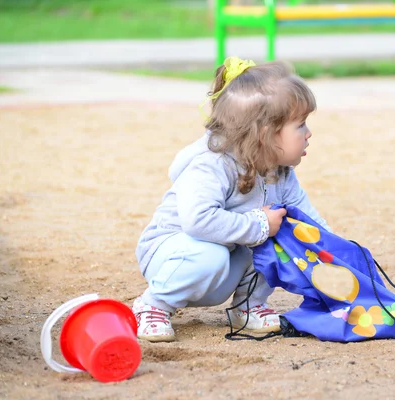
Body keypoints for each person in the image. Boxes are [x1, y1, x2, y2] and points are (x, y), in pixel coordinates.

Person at [132, 56, 331, 342]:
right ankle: (153, 304)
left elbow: (308, 221)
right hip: (174, 257)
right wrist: (259, 223)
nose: (309, 133)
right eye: (300, 125)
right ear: (265, 134)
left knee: (280, 230)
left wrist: (340, 253)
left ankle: (247, 305)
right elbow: (197, 221)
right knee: (253, 233)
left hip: (221, 262)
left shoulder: (281, 172)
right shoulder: (212, 165)